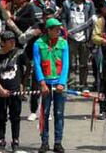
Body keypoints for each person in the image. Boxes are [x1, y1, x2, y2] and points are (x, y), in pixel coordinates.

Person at [0, 31, 26, 153]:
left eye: (14, 40)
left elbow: (27, 68)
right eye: (9, 40)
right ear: (2, 43)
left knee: (15, 117)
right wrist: (0, 89)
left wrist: (22, 85)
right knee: (1, 117)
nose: (12, 42)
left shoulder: (19, 53)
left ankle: (15, 140)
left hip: (15, 91)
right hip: (0, 91)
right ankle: (1, 140)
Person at [33, 18, 69, 153]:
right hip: (45, 84)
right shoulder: (38, 44)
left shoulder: (64, 43)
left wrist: (62, 82)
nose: (58, 31)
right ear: (48, 30)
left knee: (59, 113)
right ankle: (44, 142)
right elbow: (37, 64)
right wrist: (42, 82)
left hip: (59, 83)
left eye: (59, 29)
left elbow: (66, 64)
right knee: (45, 113)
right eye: (55, 29)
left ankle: (58, 142)